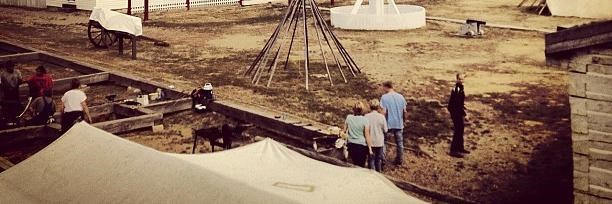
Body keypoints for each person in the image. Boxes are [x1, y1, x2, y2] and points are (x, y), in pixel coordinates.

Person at [380, 81, 407, 165]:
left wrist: (380, 122)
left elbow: (384, 112)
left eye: (383, 87)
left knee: (383, 142)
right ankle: (400, 160)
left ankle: (383, 160)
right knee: (400, 143)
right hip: (399, 123)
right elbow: (404, 111)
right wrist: (404, 121)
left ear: (386, 87)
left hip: (388, 124)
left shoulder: (384, 97)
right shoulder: (401, 97)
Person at [342, 102, 373, 167]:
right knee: (361, 165)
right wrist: (370, 149)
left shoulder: (349, 118)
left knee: (353, 163)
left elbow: (344, 130)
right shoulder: (365, 120)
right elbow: (367, 136)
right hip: (361, 146)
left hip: (351, 145)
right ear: (362, 110)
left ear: (353, 109)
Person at [447, 73, 470, 158]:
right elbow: (457, 104)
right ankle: (453, 150)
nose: (461, 80)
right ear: (456, 79)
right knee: (458, 130)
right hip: (455, 111)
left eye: (462, 79)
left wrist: (464, 110)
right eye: (459, 79)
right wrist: (465, 114)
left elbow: (461, 103)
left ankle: (460, 147)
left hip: (457, 110)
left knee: (461, 129)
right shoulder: (456, 89)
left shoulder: (460, 87)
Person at [365, 99, 388, 172]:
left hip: (369, 142)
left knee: (370, 159)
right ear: (378, 107)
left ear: (370, 107)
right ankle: (379, 173)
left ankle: (371, 175)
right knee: (378, 160)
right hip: (379, 142)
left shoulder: (366, 116)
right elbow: (385, 130)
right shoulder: (381, 117)